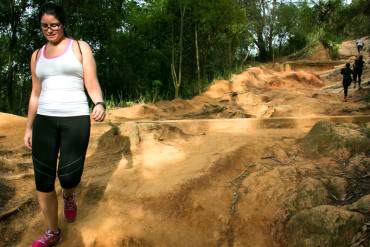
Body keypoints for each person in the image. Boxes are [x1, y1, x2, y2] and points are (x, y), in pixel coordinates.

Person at [23, 2, 106, 246]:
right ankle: (52, 231)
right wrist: (29, 126)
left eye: (54, 25)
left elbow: (91, 81)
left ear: (63, 24)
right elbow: (35, 93)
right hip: (45, 121)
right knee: (43, 179)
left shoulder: (80, 48)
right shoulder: (37, 55)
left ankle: (69, 196)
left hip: (75, 118)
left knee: (69, 177)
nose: (50, 30)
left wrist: (99, 103)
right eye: (45, 26)